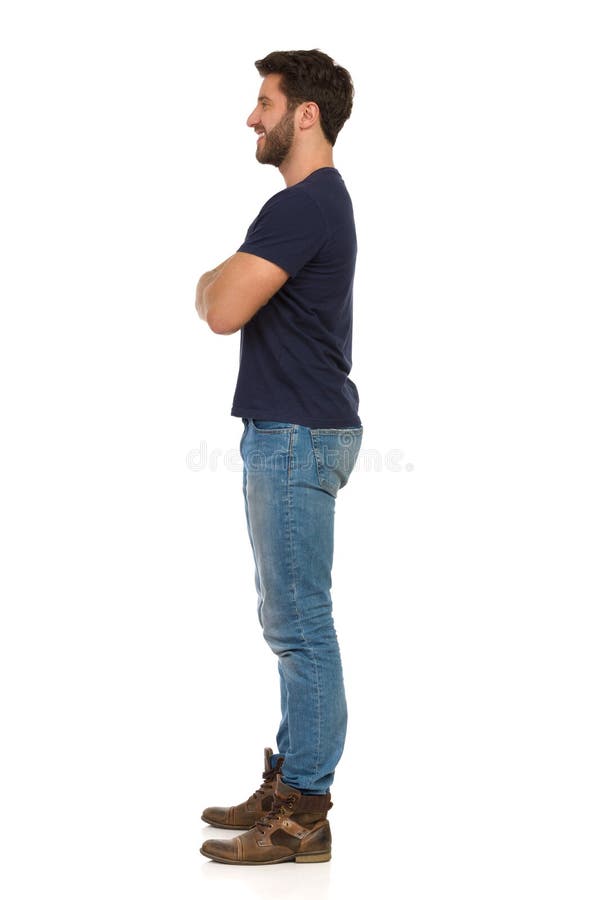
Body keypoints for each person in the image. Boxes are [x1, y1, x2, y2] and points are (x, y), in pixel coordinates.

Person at [195, 49, 362, 865]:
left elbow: (221, 307)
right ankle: (292, 778)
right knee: (291, 620)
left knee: (300, 627)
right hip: (296, 427)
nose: (251, 117)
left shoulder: (302, 207)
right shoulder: (312, 206)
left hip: (295, 432)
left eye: (264, 102)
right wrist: (219, 281)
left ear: (306, 114)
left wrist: (209, 279)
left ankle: (307, 812)